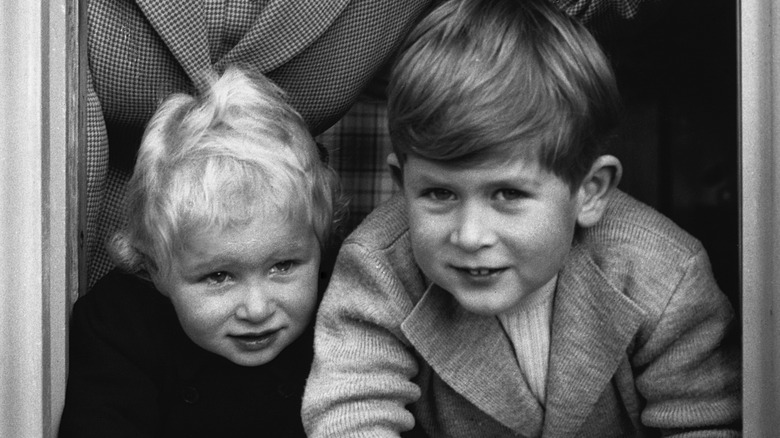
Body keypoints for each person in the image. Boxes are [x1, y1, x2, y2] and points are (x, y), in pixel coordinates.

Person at [301, 0, 741, 436]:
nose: (470, 235)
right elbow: (352, 409)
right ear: (401, 183)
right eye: (439, 193)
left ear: (589, 191)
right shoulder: (380, 267)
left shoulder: (660, 272)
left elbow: (704, 423)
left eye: (508, 194)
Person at [59, 66, 341, 437]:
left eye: (283, 266)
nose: (257, 310)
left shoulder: (344, 304)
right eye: (219, 276)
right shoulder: (117, 325)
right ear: (154, 266)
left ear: (320, 247)